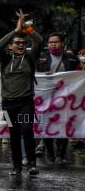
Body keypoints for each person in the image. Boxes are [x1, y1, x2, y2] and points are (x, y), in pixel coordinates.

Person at [0, 9, 43, 177]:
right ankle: (16, 166)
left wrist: (27, 29)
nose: (21, 45)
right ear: (11, 46)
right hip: (8, 104)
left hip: (25, 103)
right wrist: (16, 30)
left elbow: (40, 41)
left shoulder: (30, 58)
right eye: (17, 43)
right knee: (14, 134)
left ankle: (31, 164)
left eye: (23, 43)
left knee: (26, 129)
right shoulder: (5, 59)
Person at [35, 33, 79, 165]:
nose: (53, 44)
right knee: (47, 125)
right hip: (46, 99)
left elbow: (79, 74)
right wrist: (43, 75)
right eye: (50, 42)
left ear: (62, 44)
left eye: (56, 42)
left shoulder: (71, 58)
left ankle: (60, 155)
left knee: (63, 126)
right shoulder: (41, 58)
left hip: (65, 99)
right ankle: (50, 153)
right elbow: (34, 75)